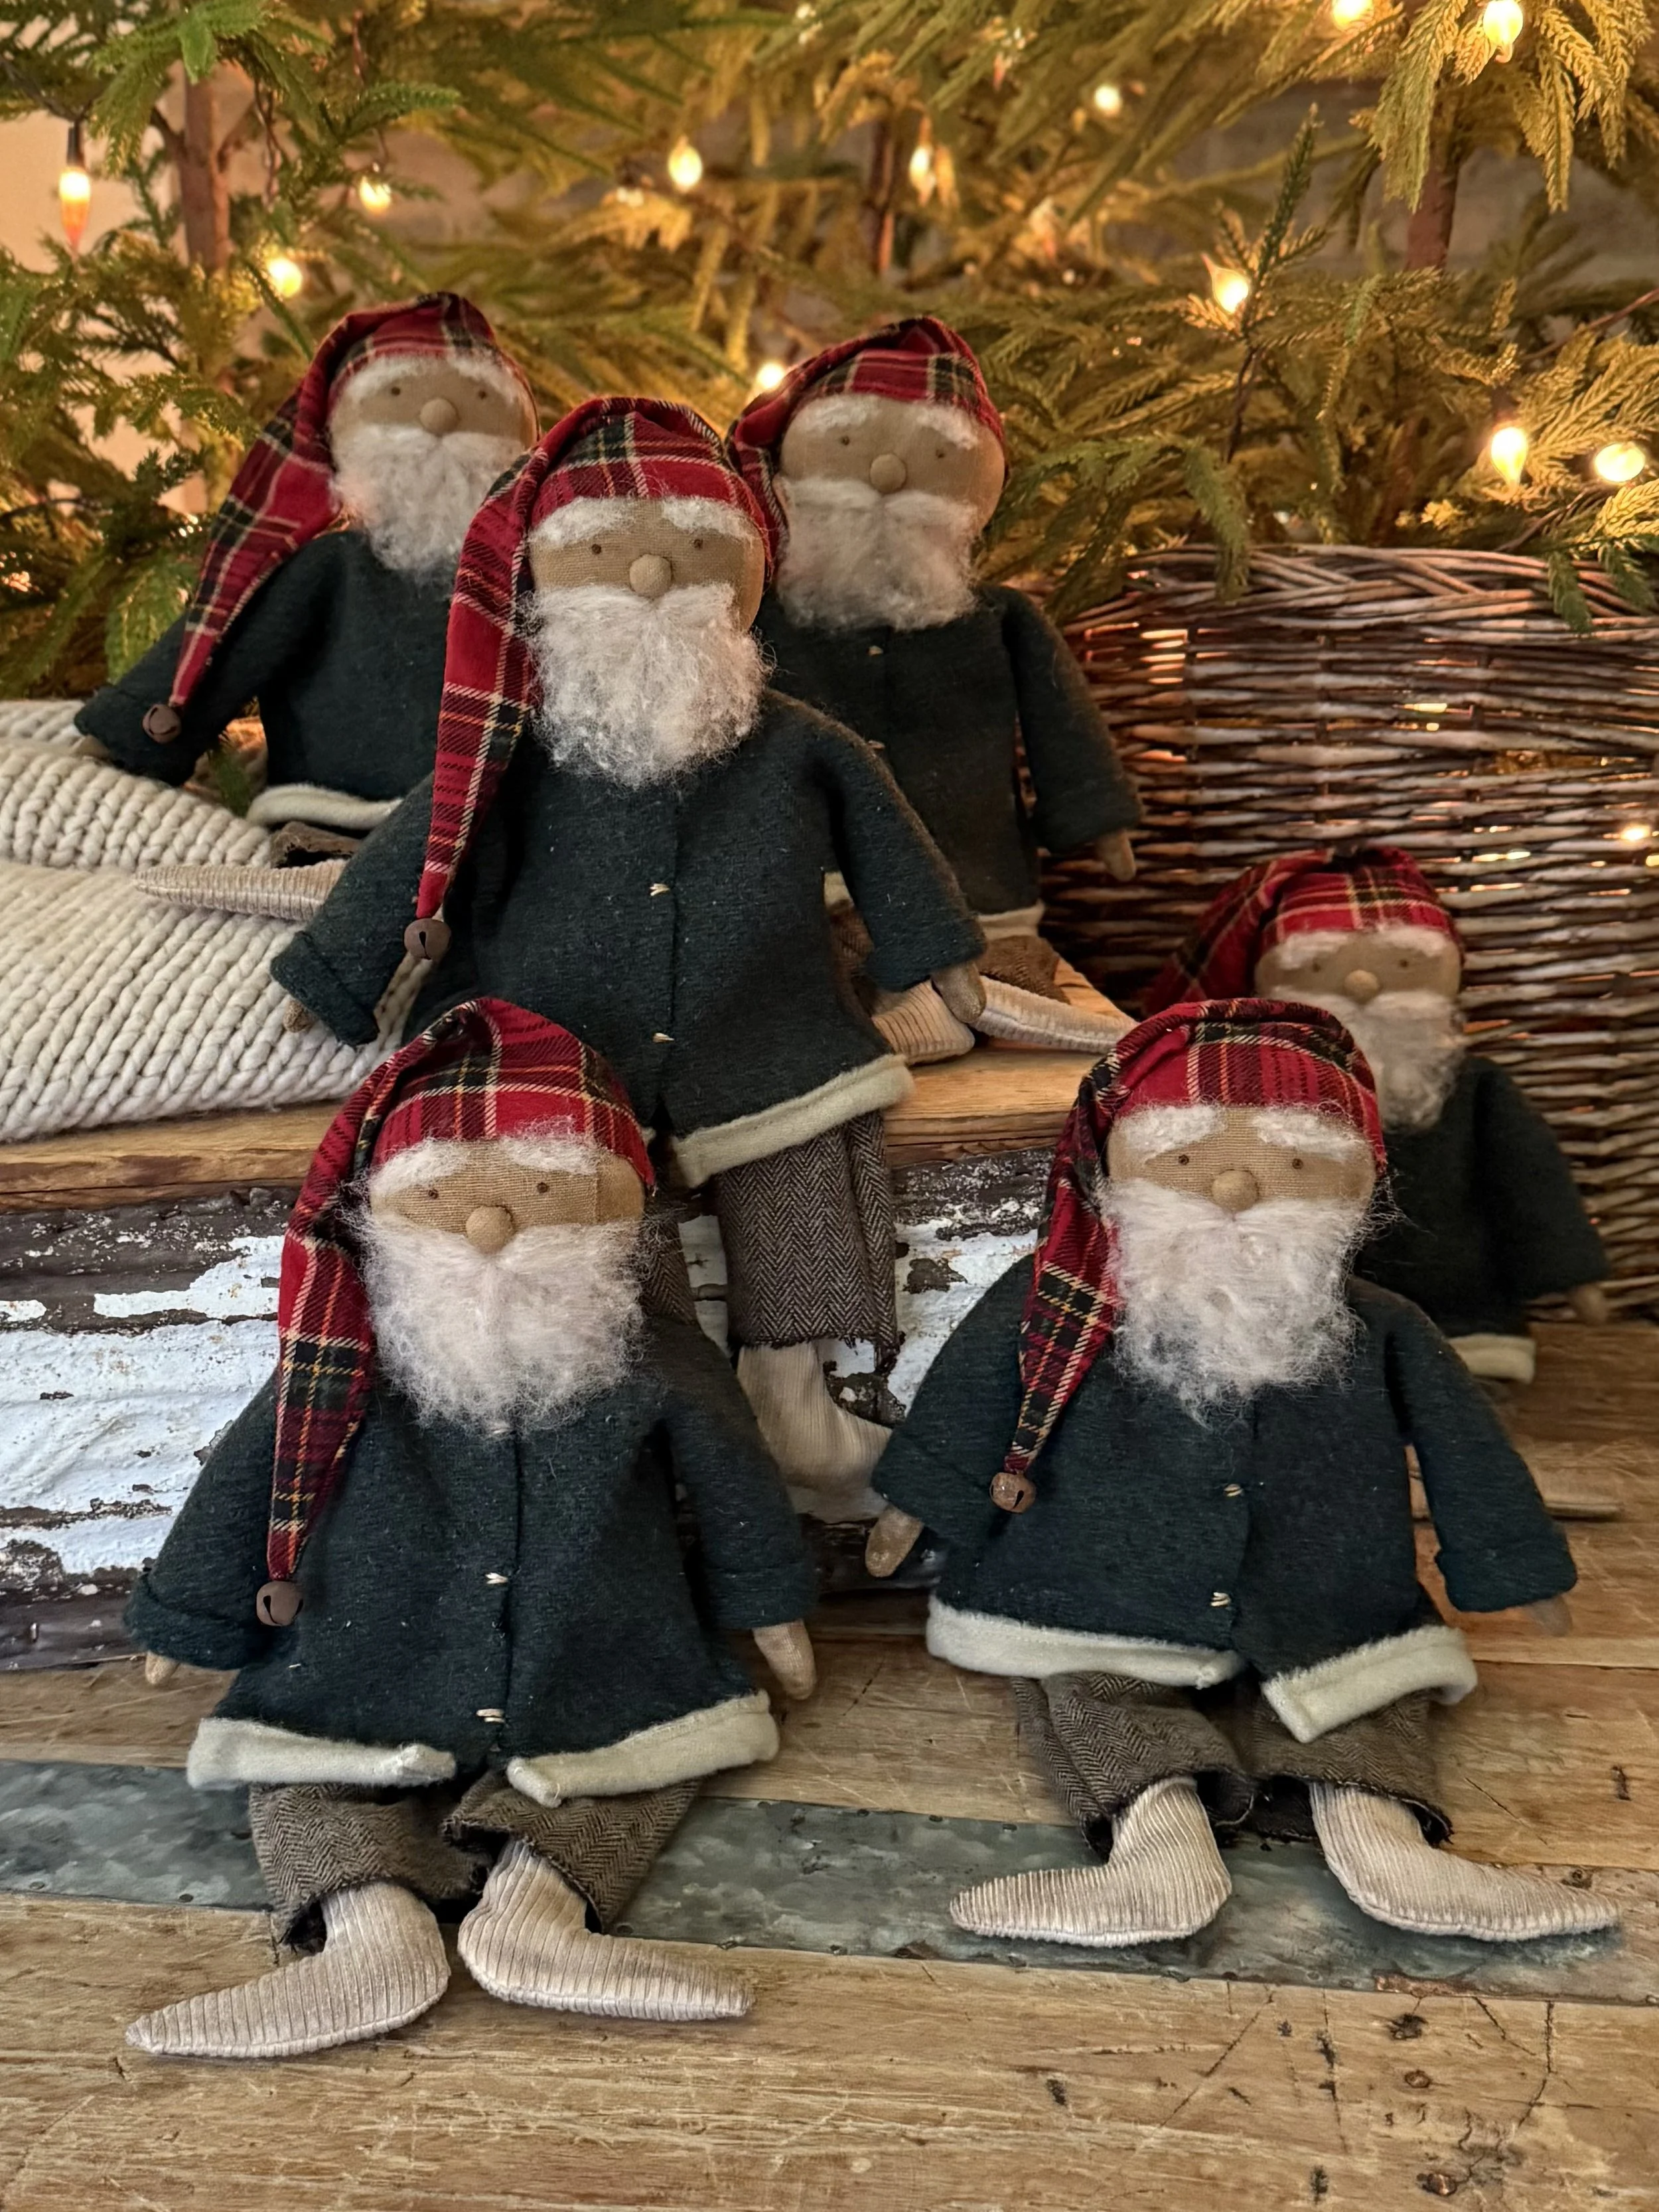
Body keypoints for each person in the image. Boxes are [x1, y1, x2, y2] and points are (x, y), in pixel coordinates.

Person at [271, 396, 986, 1503]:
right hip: (557, 1033)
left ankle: (795, 1406)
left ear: (749, 578)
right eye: (608, 556)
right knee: (594, 1217)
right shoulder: (506, 753)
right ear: (545, 584)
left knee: (807, 1162)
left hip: (769, 1027)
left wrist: (935, 955)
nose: (653, 582)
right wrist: (336, 971)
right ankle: (666, 1426)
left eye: (694, 556)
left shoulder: (802, 745)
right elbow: (420, 844)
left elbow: (889, 848)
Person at [125, 998, 816, 2059]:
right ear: (389, 1212)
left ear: (620, 1203)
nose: (493, 1227)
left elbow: (736, 1485)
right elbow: (246, 1478)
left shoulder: (659, 1362)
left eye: (544, 1195)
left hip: (605, 1647)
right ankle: (368, 1930)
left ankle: (540, 1914)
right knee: (309, 1774)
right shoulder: (342, 1369)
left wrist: (768, 1609)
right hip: (369, 1648)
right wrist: (191, 1618)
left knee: (641, 1762)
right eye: (448, 1200)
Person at [865, 1000, 1616, 1947]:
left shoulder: (1380, 1326)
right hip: (1092, 1582)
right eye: (1183, 1158)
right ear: (1114, 1166)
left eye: (1293, 1164)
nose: (1231, 1183)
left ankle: (1387, 1837)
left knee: (1368, 1693)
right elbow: (971, 1403)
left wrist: (1514, 1568)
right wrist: (918, 1508)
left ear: (1361, 1180)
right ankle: (1153, 1843)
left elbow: (1465, 1448)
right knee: (1093, 1691)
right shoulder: (1055, 1304)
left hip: (1331, 1590)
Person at [728, 315, 1139, 1060]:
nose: (887, 476)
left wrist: (1094, 817)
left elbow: (1061, 725)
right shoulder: (763, 619)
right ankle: (893, 1012)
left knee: (1002, 961)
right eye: (851, 449)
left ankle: (970, 1004)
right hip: (814, 884)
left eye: (933, 461)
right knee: (817, 959)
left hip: (977, 876)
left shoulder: (1001, 620)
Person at [76, 293, 536, 842]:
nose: (441, 416)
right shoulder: (331, 568)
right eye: (397, 395)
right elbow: (230, 644)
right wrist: (134, 729)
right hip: (329, 808)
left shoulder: (525, 578)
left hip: (488, 820)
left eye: (479, 399)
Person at [1143, 844, 1609, 1381]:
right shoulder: (1254, 1094)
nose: (1361, 984)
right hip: (1310, 1309)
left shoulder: (1477, 1090)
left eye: (1404, 965)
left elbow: (1532, 1181)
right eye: (1320, 968)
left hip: (1462, 1312)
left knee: (1464, 1371)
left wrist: (1576, 1276)